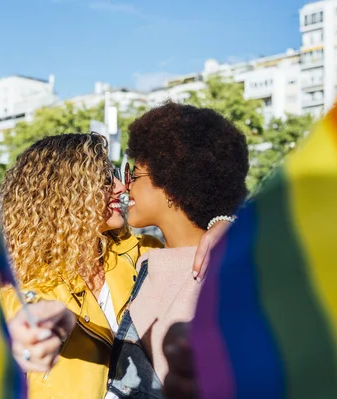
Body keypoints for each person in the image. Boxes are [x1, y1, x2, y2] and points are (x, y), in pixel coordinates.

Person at [0, 133, 227, 399]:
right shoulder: (20, 293)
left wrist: (223, 222)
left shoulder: (145, 251)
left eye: (117, 175)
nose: (121, 187)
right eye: (107, 179)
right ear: (66, 193)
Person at [106, 102, 249, 398]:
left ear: (170, 184)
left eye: (134, 174)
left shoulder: (212, 273)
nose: (124, 186)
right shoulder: (150, 260)